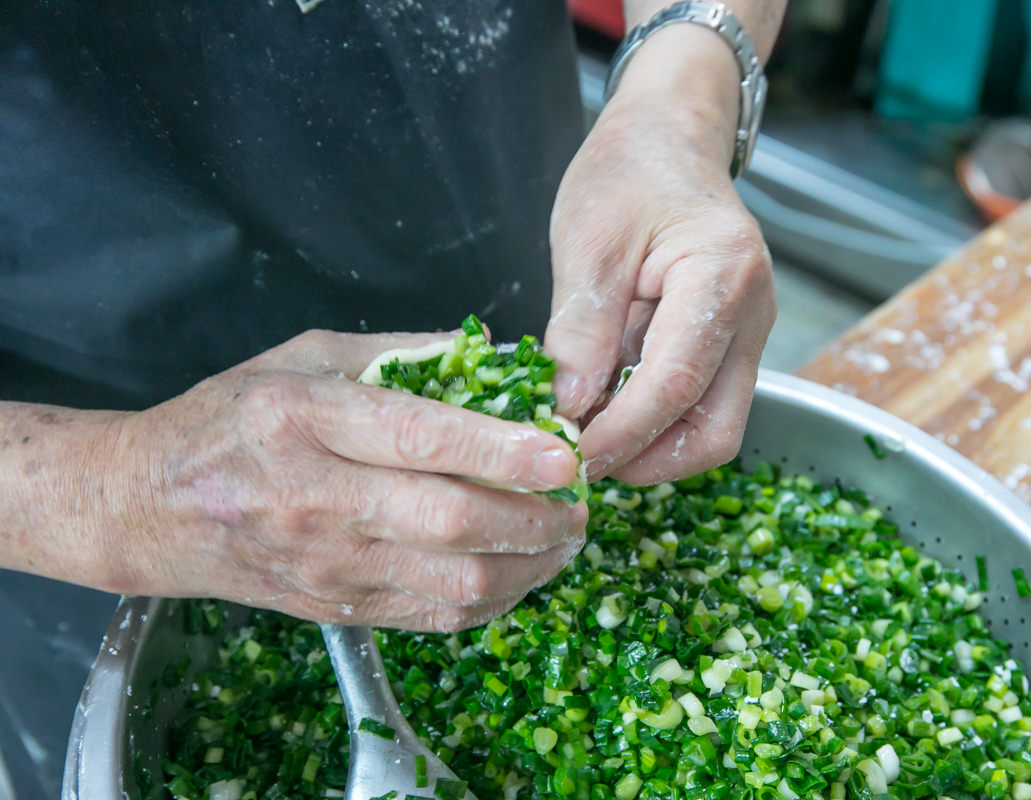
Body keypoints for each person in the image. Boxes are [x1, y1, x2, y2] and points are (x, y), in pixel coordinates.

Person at [1, 0, 782, 630]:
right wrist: (128, 488)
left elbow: (685, 80)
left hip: (525, 240)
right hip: (93, 506)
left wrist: (677, 110)